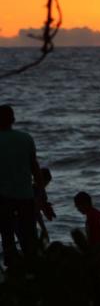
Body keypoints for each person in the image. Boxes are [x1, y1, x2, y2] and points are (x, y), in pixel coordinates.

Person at [0, 105, 47, 266]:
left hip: (3, 197)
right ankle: (32, 267)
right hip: (25, 195)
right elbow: (35, 169)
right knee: (29, 234)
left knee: (7, 235)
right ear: (13, 119)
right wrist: (40, 194)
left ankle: (12, 268)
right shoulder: (26, 138)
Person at [33, 168, 56, 243]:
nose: (45, 186)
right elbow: (36, 211)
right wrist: (43, 228)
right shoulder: (36, 191)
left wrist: (46, 208)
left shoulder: (40, 191)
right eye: (45, 183)